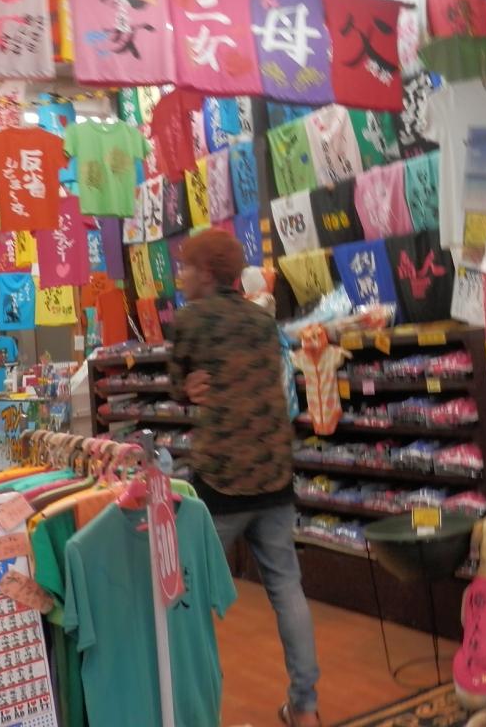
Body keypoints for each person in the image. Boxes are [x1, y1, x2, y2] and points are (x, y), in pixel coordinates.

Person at [170, 229, 322, 727]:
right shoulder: (262, 320)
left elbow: (177, 381)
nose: (180, 276)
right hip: (274, 471)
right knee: (287, 589)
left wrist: (188, 386)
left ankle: (194, 710)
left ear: (206, 273)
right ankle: (305, 708)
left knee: (188, 595)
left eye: (186, 267)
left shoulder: (192, 319)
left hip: (222, 477)